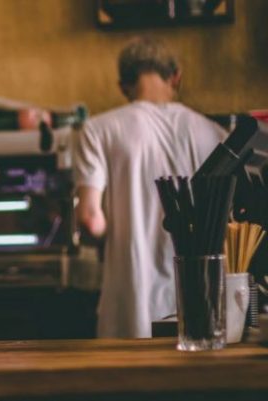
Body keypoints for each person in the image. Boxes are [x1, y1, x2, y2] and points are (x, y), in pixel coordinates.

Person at [73, 37, 227, 338]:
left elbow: (90, 220)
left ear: (124, 86)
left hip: (130, 305)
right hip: (199, 306)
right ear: (176, 77)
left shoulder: (97, 130)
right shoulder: (215, 134)